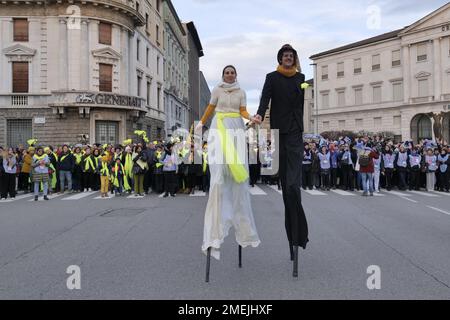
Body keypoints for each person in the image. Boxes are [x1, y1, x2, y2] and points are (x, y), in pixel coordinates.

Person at [196, 65, 260, 272]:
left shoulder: (241, 92)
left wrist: (250, 118)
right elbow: (210, 108)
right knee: (219, 169)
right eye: (227, 72)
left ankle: (241, 222)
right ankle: (218, 185)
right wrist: (202, 123)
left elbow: (242, 111)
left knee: (237, 165)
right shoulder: (217, 90)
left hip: (236, 126)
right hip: (219, 125)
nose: (230, 75)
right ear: (223, 75)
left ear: (236, 75)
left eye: (232, 72)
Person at [254, 44, 308, 277]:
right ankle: (292, 240)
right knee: (287, 191)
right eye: (285, 55)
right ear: (280, 58)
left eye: (292, 55)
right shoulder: (272, 77)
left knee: (294, 188)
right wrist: (259, 113)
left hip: (295, 133)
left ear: (295, 59)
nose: (289, 58)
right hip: (278, 134)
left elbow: (299, 103)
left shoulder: (301, 78)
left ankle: (299, 235)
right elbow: (265, 98)